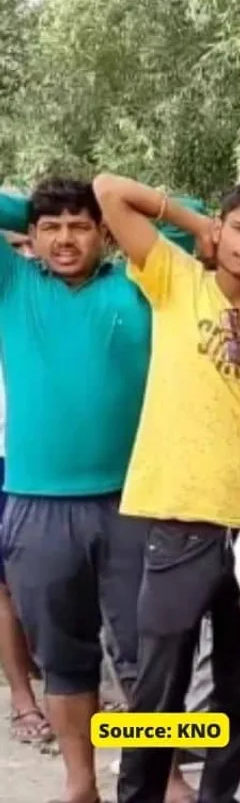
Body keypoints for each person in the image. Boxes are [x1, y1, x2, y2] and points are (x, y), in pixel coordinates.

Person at [93, 173, 240, 803]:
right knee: (158, 689)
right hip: (179, 519)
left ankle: (216, 796)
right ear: (222, 231)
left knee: (239, 686)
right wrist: (200, 225)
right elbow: (108, 190)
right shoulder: (175, 280)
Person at [0, 178, 153, 803]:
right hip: (37, 505)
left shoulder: (141, 282)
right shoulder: (15, 287)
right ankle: (80, 781)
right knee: (65, 659)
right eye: (51, 227)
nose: (66, 238)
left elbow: (193, 220)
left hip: (134, 500)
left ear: (107, 232)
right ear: (30, 240)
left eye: (81, 224)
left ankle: (159, 775)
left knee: (150, 656)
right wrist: (38, 206)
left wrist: (106, 192)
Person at [0, 224, 50, 749]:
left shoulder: (50, 297)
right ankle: (22, 700)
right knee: (6, 590)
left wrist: (45, 209)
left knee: (110, 601)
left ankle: (142, 741)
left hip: (69, 472)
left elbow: (185, 217)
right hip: (5, 465)